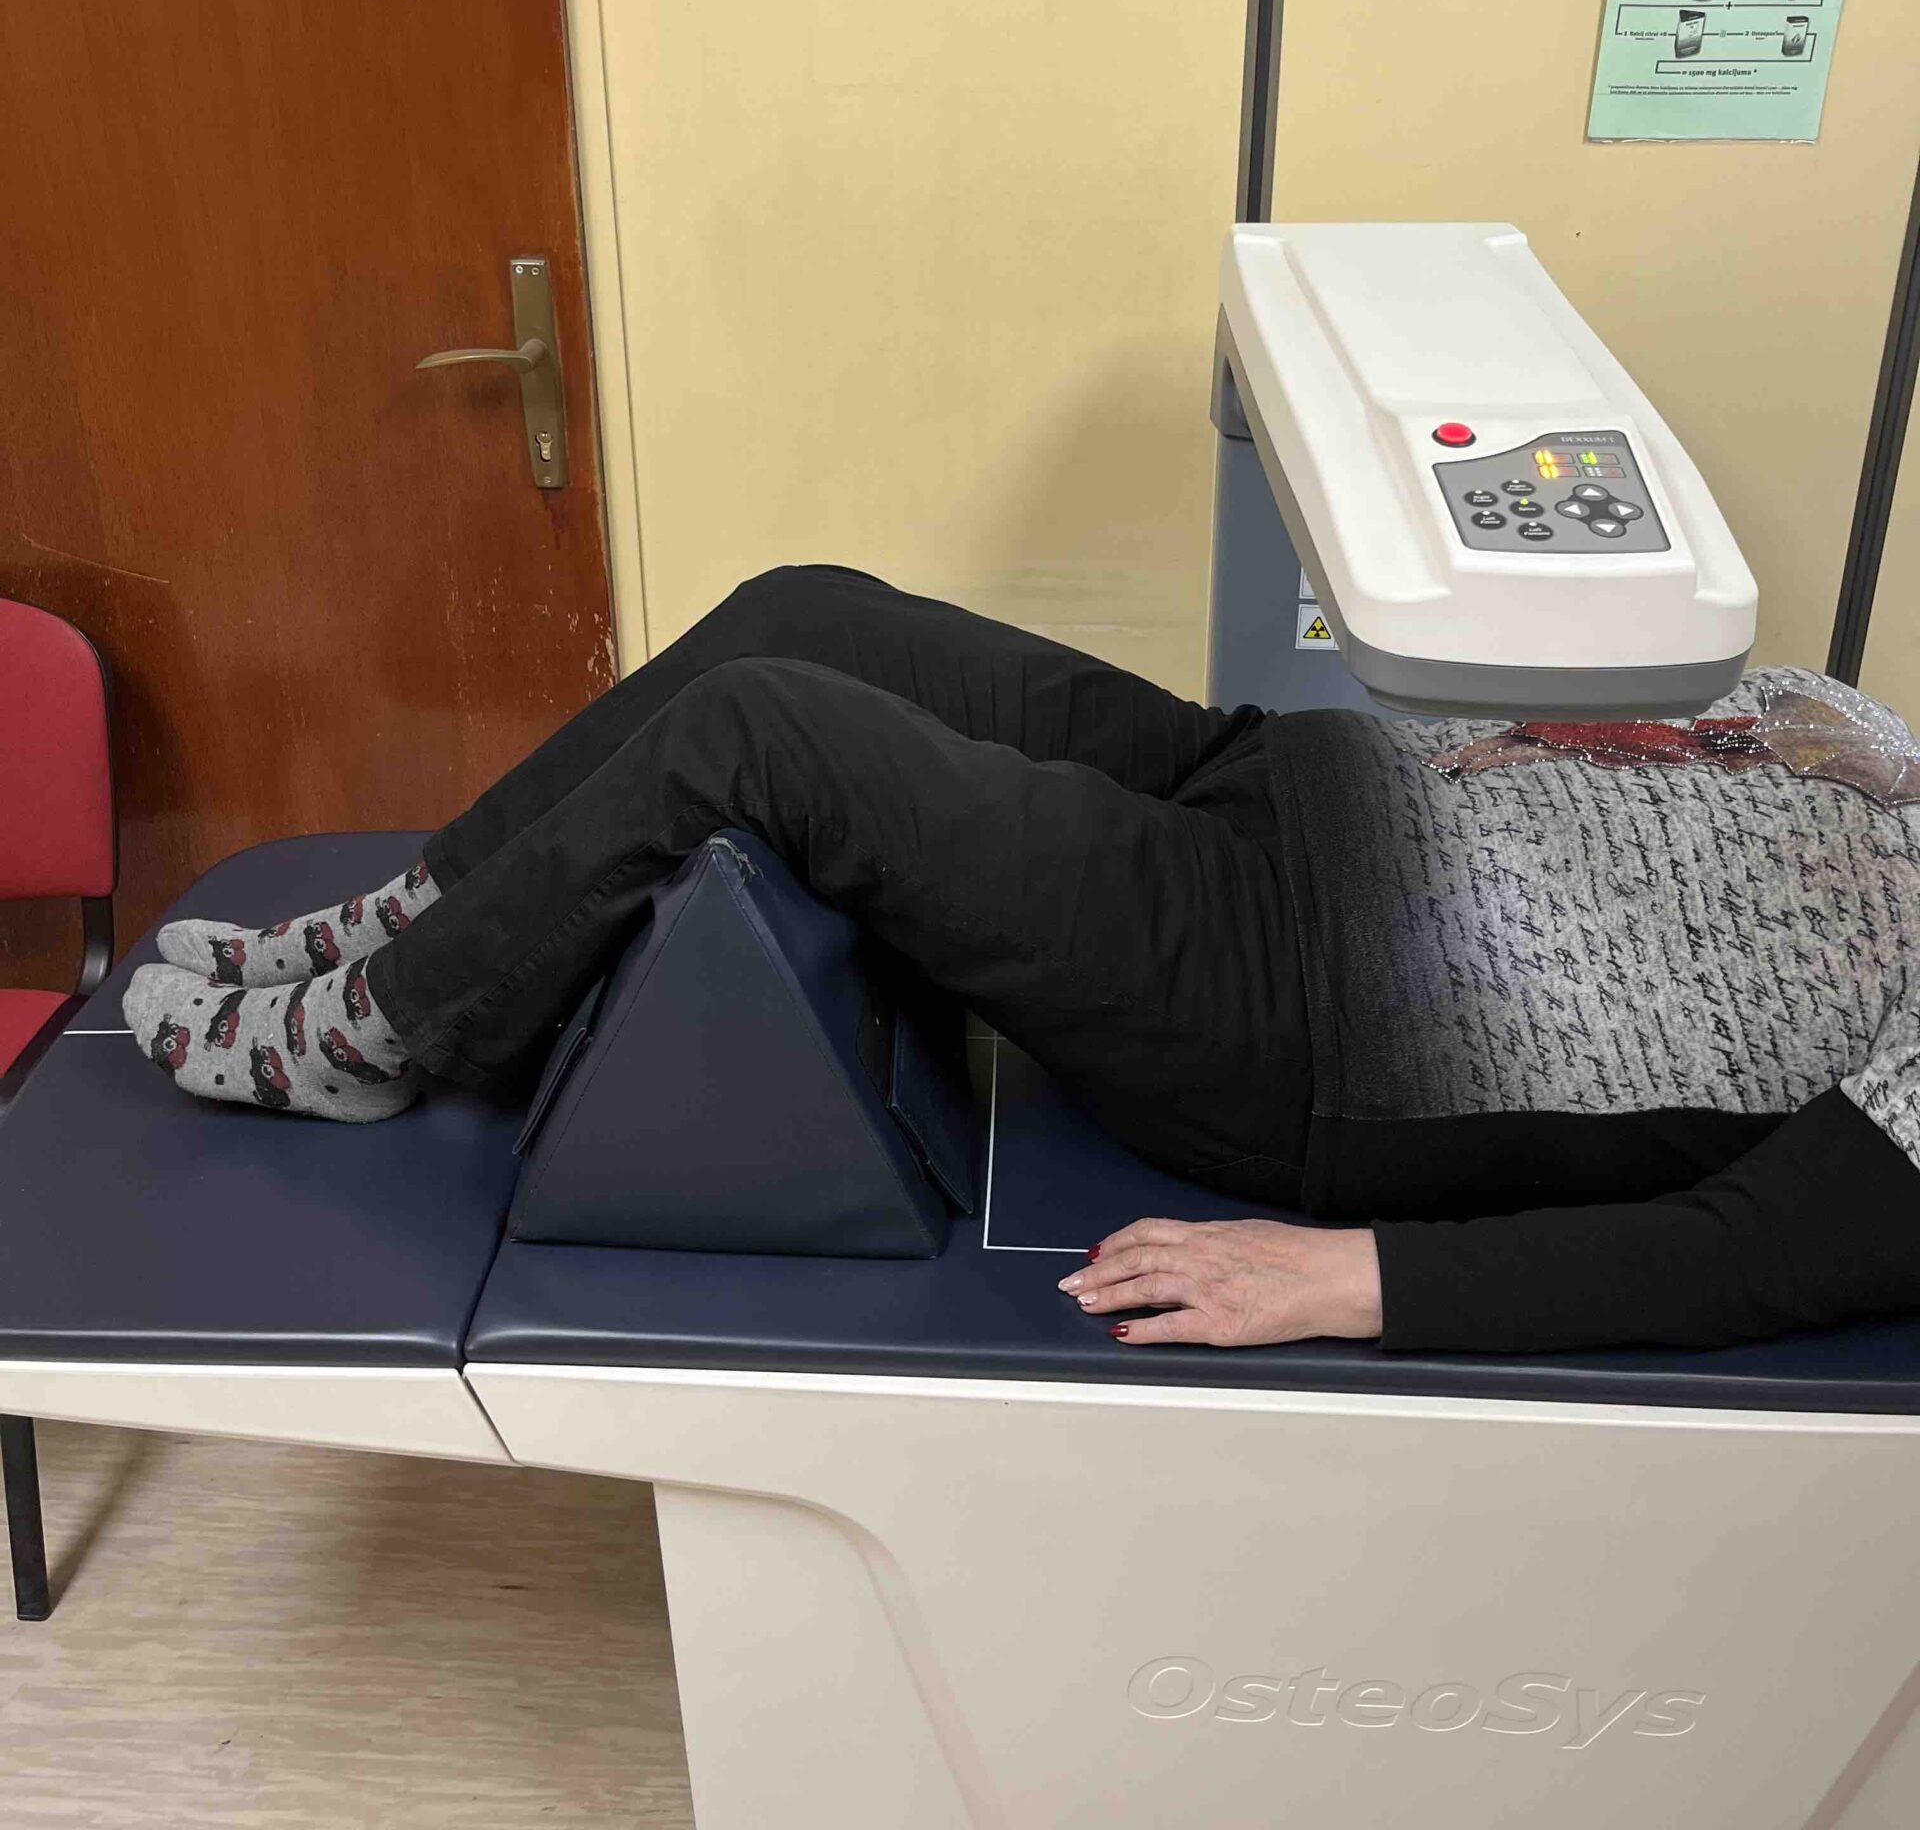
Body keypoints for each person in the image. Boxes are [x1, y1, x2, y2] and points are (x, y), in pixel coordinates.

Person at [123, 566, 1920, 1358]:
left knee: (774, 732)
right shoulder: (1885, 748)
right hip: (1272, 781)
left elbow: (1760, 1254)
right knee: (801, 612)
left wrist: (1351, 1282)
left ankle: (372, 1036)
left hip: (1302, 1008)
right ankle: (430, 909)